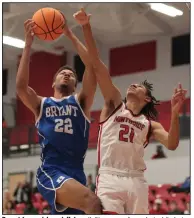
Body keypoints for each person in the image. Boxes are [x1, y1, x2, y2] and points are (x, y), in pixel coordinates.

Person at [73, 8, 187, 214]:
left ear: (147, 99)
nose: (133, 85)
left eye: (139, 86)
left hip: (136, 179)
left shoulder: (151, 124)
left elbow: (172, 144)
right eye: (132, 84)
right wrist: (86, 27)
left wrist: (175, 112)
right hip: (110, 175)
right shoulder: (114, 103)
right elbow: (98, 67)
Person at [16, 15, 102, 215]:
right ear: (53, 83)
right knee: (93, 202)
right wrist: (28, 45)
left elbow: (92, 67)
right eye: (62, 73)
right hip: (52, 170)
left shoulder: (81, 102)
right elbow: (21, 88)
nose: (67, 74)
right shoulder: (41, 104)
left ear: (76, 84)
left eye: (71, 75)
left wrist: (70, 34)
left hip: (76, 172)